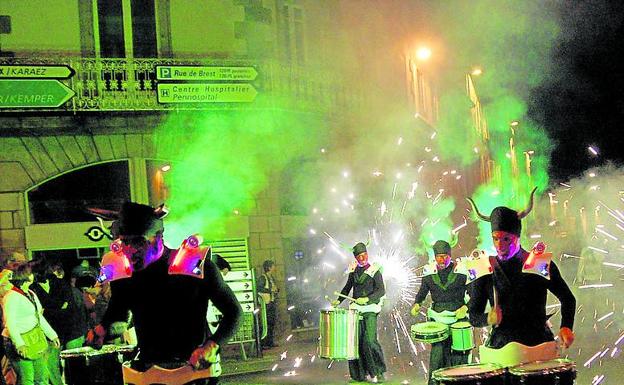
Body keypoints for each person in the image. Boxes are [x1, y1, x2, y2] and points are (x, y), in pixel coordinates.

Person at [87, 202, 242, 385]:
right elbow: (119, 315)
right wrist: (104, 330)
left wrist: (212, 345)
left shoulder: (194, 266)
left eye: (139, 241)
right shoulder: (125, 276)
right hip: (148, 372)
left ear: (159, 237)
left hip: (194, 373)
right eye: (125, 242)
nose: (130, 250)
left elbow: (234, 312)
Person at [466, 189, 576, 352]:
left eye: (506, 239)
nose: (499, 245)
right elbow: (473, 314)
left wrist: (566, 326)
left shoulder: (537, 263)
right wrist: (487, 318)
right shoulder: (485, 267)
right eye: (495, 238)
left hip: (538, 343)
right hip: (500, 346)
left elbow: (568, 299)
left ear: (517, 236)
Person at [410, 240, 469, 385]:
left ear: (450, 255)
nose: (442, 260)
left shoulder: (462, 271)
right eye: (439, 256)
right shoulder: (429, 273)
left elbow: (474, 294)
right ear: (434, 257)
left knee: (458, 355)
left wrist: (465, 307)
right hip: (438, 319)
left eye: (445, 256)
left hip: (458, 317)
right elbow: (422, 292)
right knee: (437, 355)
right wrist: (417, 304)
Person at [332, 242, 387, 383]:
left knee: (370, 340)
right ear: (356, 258)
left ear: (367, 255)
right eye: (359, 257)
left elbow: (381, 290)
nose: (362, 259)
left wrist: (367, 299)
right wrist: (339, 301)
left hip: (370, 310)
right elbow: (347, 288)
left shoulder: (375, 270)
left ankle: (379, 372)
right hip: (355, 309)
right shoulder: (354, 270)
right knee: (355, 343)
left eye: (364, 256)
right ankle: (358, 375)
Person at [2, 261, 60, 385]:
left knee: (42, 376)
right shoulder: (11, 297)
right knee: (27, 378)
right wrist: (19, 344)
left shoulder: (31, 293)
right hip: (18, 340)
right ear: (24, 276)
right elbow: (10, 322)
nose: (33, 274)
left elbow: (38, 317)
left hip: (34, 338)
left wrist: (52, 335)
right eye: (30, 272)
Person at [30, 262, 86, 385]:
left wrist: (48, 311)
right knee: (52, 365)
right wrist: (59, 308)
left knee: (72, 365)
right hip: (52, 331)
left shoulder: (60, 284)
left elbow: (66, 307)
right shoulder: (33, 289)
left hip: (69, 330)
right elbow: (44, 311)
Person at [257, 260, 279, 349]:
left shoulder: (271, 278)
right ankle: (263, 343)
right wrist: (270, 291)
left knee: (271, 323)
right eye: (273, 266)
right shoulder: (263, 278)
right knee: (265, 323)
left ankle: (270, 342)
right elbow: (258, 289)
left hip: (271, 302)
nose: (275, 268)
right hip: (265, 304)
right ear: (269, 268)